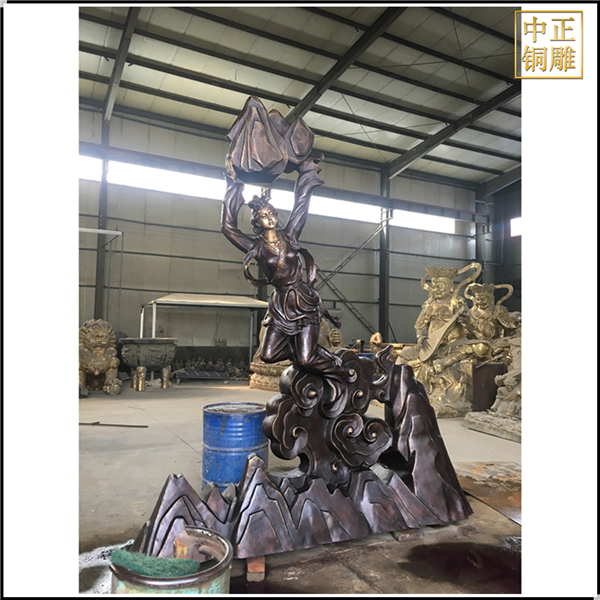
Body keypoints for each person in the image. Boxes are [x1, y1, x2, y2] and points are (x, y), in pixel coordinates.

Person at [222, 156, 343, 376]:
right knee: (268, 355)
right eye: (263, 216)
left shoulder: (290, 235)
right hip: (280, 304)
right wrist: (233, 184)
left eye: (271, 213)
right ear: (257, 222)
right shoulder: (256, 247)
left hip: (302, 299)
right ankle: (313, 354)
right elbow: (228, 228)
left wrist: (305, 173)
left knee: (306, 359)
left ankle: (340, 374)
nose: (269, 218)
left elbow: (301, 205)